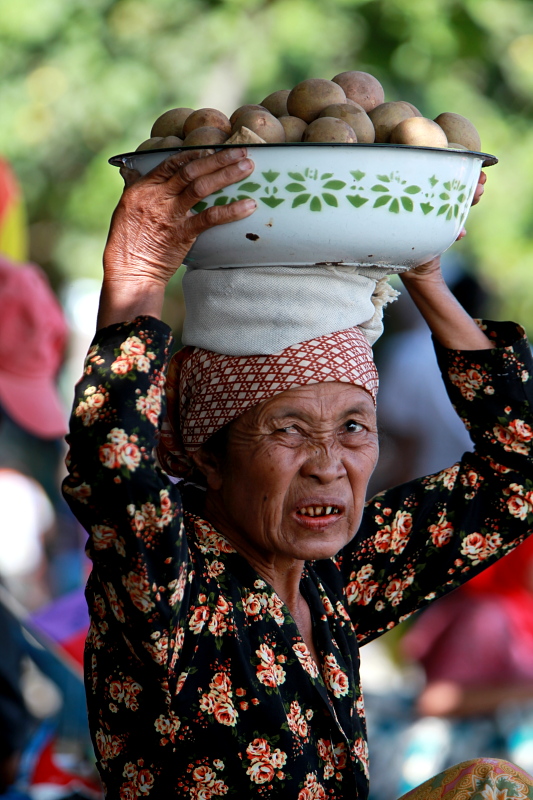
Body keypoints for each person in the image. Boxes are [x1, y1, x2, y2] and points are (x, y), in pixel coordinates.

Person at [62, 147, 533, 799]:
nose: (328, 467)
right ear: (207, 455)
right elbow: (115, 468)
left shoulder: (329, 582)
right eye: (287, 430)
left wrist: (423, 274)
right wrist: (137, 273)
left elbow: (517, 475)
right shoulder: (172, 585)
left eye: (353, 428)